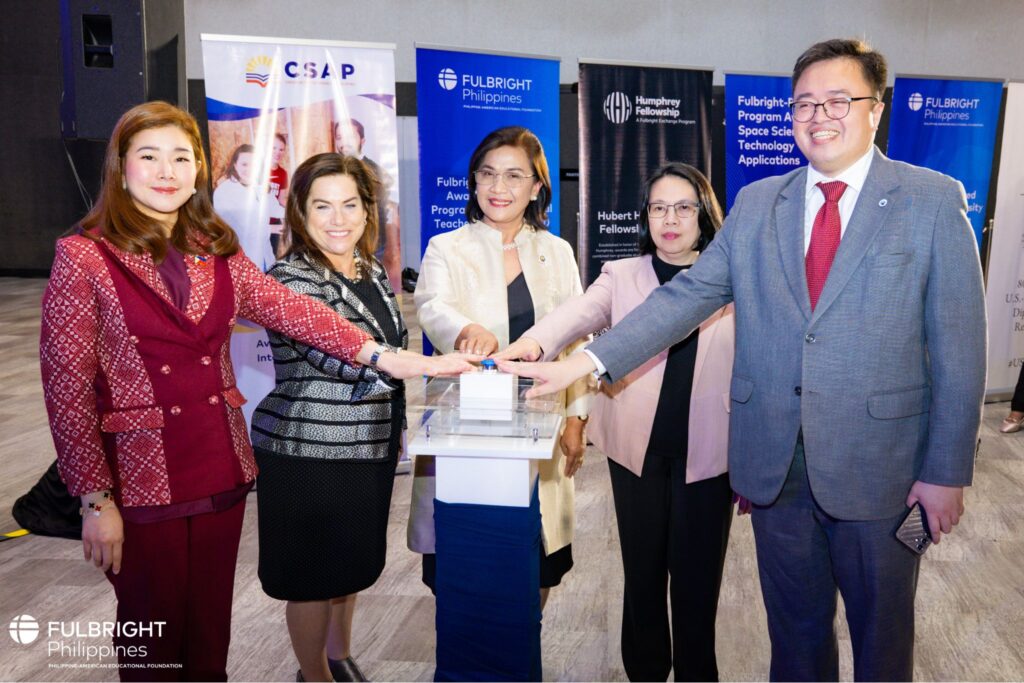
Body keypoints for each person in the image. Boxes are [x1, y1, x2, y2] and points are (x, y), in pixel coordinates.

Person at [498, 38, 986, 681]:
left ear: (876, 109)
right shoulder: (759, 204)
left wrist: (946, 472)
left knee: (882, 636)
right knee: (795, 632)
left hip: (881, 469)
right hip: (775, 467)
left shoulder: (931, 200)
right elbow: (688, 296)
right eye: (804, 103)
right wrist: (583, 363)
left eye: (837, 100)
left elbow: (959, 349)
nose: (818, 116)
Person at [38, 101, 474, 682]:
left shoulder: (214, 248)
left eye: (181, 158)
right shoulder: (85, 256)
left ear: (198, 169)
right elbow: (66, 388)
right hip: (143, 475)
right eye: (150, 156)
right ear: (121, 166)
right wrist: (95, 500)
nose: (167, 171)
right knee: (153, 629)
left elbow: (295, 312)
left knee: (210, 628)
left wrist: (390, 358)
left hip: (218, 464)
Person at [496, 162, 743, 681]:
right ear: (645, 216)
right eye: (658, 208)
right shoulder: (623, 275)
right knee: (643, 574)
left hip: (709, 453)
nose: (669, 220)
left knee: (698, 584)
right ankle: (645, 671)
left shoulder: (730, 278)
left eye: (683, 207)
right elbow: (577, 315)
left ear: (704, 213)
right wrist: (532, 344)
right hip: (637, 452)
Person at [411, 125, 591, 609]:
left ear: (536, 187)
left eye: (514, 176)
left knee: (538, 555)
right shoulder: (447, 247)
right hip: (466, 427)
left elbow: (578, 337)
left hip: (541, 424)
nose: (498, 187)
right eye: (487, 174)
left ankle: (525, 641)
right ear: (473, 181)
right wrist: (465, 329)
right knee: (465, 553)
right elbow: (431, 305)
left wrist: (577, 418)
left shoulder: (557, 253)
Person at [250, 153, 404, 683]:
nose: (339, 219)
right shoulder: (289, 279)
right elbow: (341, 358)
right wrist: (426, 366)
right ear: (300, 212)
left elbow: (393, 341)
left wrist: (398, 425)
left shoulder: (370, 269)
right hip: (309, 455)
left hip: (368, 446)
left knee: (349, 564)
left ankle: (339, 656)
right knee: (312, 579)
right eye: (322, 206)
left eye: (350, 205)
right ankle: (313, 675)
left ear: (367, 210)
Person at [333, 118, 401, 289]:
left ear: (362, 140)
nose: (344, 142)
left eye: (350, 136)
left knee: (368, 291)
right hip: (340, 242)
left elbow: (386, 211)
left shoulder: (376, 172)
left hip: (370, 245)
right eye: (339, 137)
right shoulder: (331, 170)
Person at [213, 142, 283, 271]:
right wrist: (270, 228)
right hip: (240, 259)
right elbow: (241, 228)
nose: (250, 169)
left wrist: (298, 213)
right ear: (235, 165)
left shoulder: (259, 187)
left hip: (264, 257)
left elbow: (275, 209)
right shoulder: (224, 191)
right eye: (244, 164)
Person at [268, 132, 290, 254]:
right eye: (274, 148)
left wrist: (294, 209)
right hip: (259, 221)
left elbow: (282, 200)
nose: (278, 152)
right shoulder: (256, 169)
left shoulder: (283, 173)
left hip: (274, 221)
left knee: (272, 254)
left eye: (281, 149)